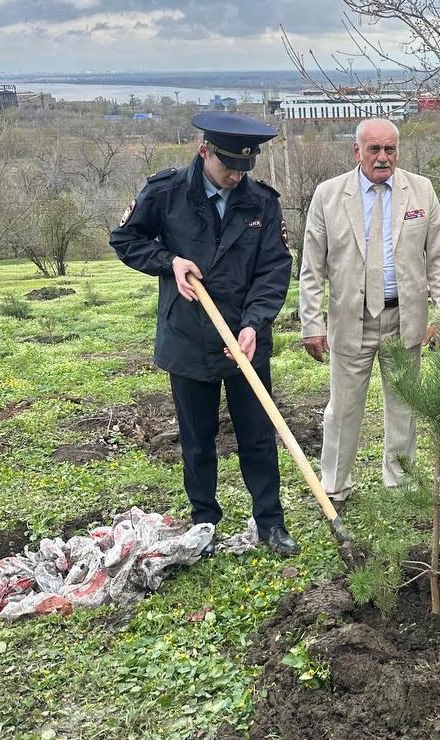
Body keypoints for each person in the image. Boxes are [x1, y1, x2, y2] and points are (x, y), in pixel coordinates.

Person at [110, 111, 299, 557]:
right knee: (197, 438)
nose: (235, 175)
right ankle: (204, 522)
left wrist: (254, 322)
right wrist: (168, 262)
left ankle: (270, 523)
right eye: (227, 165)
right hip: (188, 335)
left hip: (246, 338)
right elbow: (126, 240)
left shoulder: (262, 203)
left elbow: (274, 268)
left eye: (244, 168)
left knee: (257, 433)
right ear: (204, 151)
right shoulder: (166, 191)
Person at [299, 118, 440, 507]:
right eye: (374, 150)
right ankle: (334, 487)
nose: (383, 158)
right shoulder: (329, 195)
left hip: (405, 319)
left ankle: (400, 486)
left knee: (404, 407)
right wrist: (311, 323)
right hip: (351, 321)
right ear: (357, 152)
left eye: (390, 150)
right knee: (343, 409)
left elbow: (438, 258)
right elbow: (312, 266)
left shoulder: (422, 191)